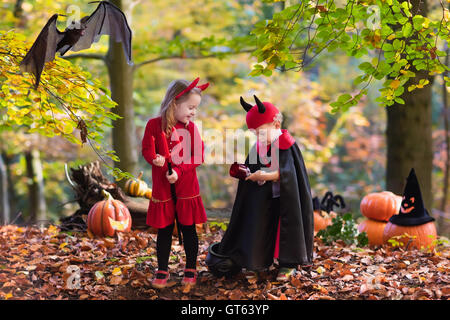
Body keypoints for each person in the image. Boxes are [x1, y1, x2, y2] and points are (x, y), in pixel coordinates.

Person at [217, 95, 314, 281]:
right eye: (254, 133)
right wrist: (247, 173)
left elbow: (287, 173)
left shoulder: (286, 144)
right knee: (259, 226)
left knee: (284, 228)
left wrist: (266, 176)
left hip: (285, 197)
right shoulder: (260, 146)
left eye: (260, 132)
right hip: (265, 196)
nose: (257, 136)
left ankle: (288, 264)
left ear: (276, 126)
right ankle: (255, 261)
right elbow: (254, 166)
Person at [142, 78, 208, 288]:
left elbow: (198, 155)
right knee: (164, 228)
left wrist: (179, 171)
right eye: (190, 107)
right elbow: (147, 149)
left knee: (188, 227)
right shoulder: (154, 125)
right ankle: (162, 268)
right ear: (174, 103)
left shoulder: (191, 129)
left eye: (195, 108)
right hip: (163, 186)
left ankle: (190, 267)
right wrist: (155, 158)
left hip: (186, 185)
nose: (193, 112)